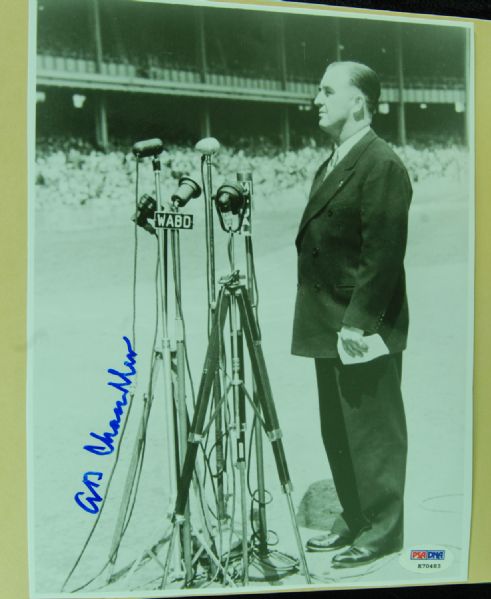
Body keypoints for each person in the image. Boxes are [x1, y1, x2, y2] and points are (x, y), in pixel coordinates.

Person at [291, 61, 413, 568]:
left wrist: (358, 322)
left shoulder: (380, 163)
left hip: (358, 324)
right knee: (337, 430)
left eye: (326, 90)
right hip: (326, 319)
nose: (316, 98)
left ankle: (382, 529)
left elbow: (382, 254)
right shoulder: (335, 160)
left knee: (372, 432)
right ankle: (356, 516)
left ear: (358, 102)